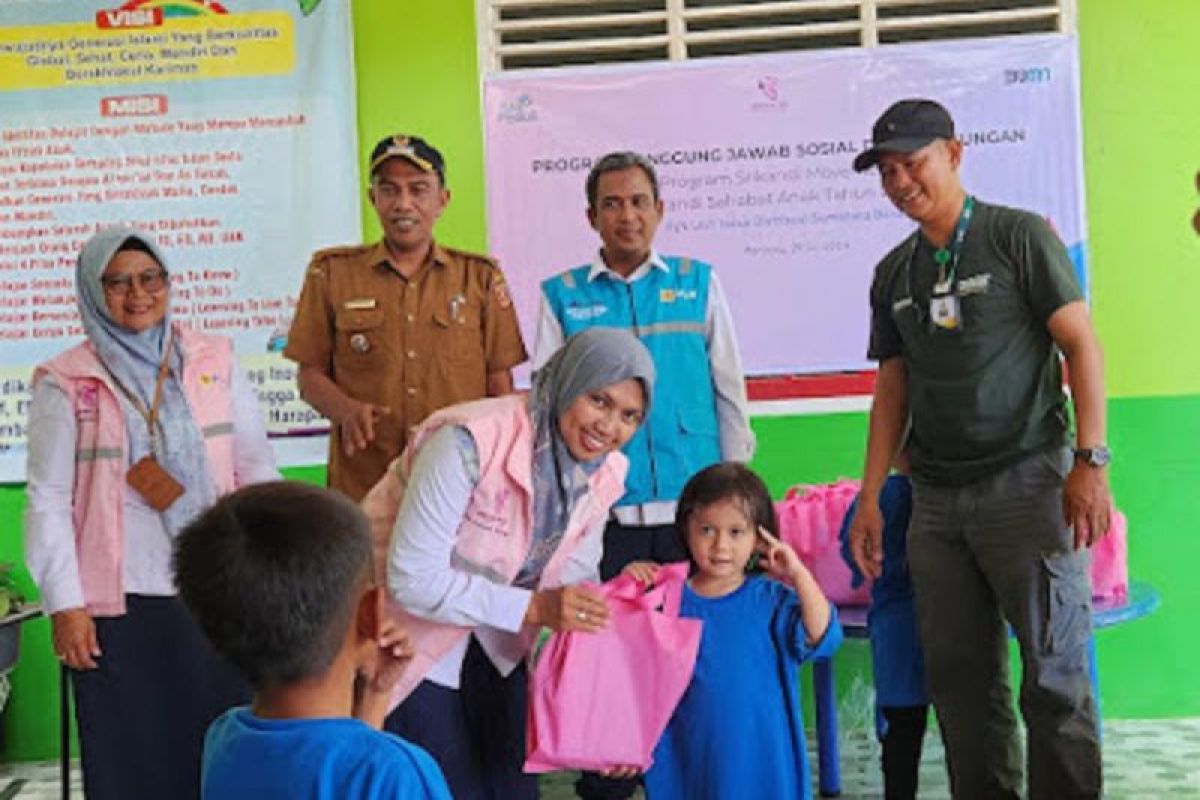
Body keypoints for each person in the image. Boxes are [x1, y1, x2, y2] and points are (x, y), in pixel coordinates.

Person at [847, 98, 1111, 799]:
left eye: (914, 163)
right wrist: (871, 496)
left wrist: (1090, 461)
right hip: (936, 504)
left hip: (1031, 485)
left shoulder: (1018, 237)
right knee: (962, 691)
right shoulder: (893, 272)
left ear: (955, 153)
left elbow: (1081, 345)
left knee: (1055, 680)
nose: (901, 181)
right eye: (888, 171)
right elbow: (891, 390)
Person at [24, 226, 280, 800]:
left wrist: (270, 570)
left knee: (224, 745)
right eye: (117, 283)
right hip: (119, 603)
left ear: (168, 282)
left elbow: (255, 467)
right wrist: (65, 606)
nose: (136, 294)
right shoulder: (66, 382)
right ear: (93, 290)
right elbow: (46, 499)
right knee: (132, 754)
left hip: (218, 589)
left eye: (149, 278)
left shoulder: (213, 360)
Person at [535, 152, 756, 800]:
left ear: (659, 210)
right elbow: (550, 409)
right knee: (612, 677)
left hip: (698, 526)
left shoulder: (697, 283)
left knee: (701, 672)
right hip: (607, 528)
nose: (626, 215)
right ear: (591, 216)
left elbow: (729, 390)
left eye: (638, 201)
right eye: (611, 203)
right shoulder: (564, 295)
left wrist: (738, 493)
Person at [359, 327, 656, 800]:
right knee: (436, 784)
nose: (609, 426)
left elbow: (576, 577)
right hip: (407, 638)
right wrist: (534, 609)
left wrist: (612, 721)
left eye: (629, 416)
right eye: (598, 400)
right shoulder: (469, 441)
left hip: (498, 641)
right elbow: (412, 578)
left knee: (510, 785)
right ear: (569, 381)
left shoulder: (605, 471)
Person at [285, 134, 528, 501]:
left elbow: (499, 385)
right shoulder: (332, 273)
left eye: (418, 190)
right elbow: (310, 376)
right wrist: (346, 411)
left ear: (442, 200)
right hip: (365, 482)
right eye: (390, 190)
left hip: (458, 483)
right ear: (373, 199)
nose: (403, 204)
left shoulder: (479, 277)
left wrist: (499, 472)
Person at [173, 481, 452, 800]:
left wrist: (375, 695)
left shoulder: (225, 739)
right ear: (370, 613)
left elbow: (342, 769)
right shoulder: (398, 773)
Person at [625, 462, 842, 800]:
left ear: (759, 538)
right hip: (689, 761)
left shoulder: (773, 600)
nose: (720, 545)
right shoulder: (663, 598)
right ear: (686, 530)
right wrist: (630, 585)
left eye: (736, 532)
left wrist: (798, 573)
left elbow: (822, 635)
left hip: (763, 765)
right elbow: (629, 670)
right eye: (707, 530)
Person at [839, 469, 929, 800]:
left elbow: (851, 554)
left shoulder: (878, 495)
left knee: (900, 742)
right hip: (953, 629)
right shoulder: (949, 491)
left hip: (897, 636)